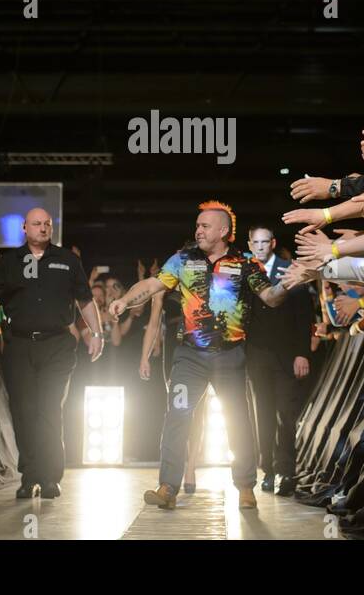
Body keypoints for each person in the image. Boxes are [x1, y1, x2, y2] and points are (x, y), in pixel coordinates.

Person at [107, 200, 303, 511]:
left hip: (231, 357)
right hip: (189, 358)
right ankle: (168, 486)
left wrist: (292, 282)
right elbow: (152, 283)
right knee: (177, 417)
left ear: (224, 231)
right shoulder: (182, 260)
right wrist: (124, 300)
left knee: (237, 421)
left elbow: (270, 297)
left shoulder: (245, 264)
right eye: (197, 225)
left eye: (205, 226)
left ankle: (245, 487)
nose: (198, 230)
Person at [0, 207, 105, 498]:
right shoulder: (8, 261)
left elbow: (85, 300)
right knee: (23, 411)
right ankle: (29, 476)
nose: (43, 228)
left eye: (47, 224)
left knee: (49, 408)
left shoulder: (67, 260)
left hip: (57, 344)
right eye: (36, 224)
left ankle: (49, 477)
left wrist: (96, 333)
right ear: (25, 227)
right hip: (19, 345)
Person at [243, 225, 314, 496]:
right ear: (250, 244)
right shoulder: (245, 270)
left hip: (286, 354)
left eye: (264, 242)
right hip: (256, 354)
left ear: (272, 243)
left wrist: (302, 352)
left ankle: (287, 471)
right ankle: (269, 472)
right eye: (255, 242)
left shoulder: (289, 269)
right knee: (262, 414)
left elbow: (304, 313)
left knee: (286, 413)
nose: (260, 247)